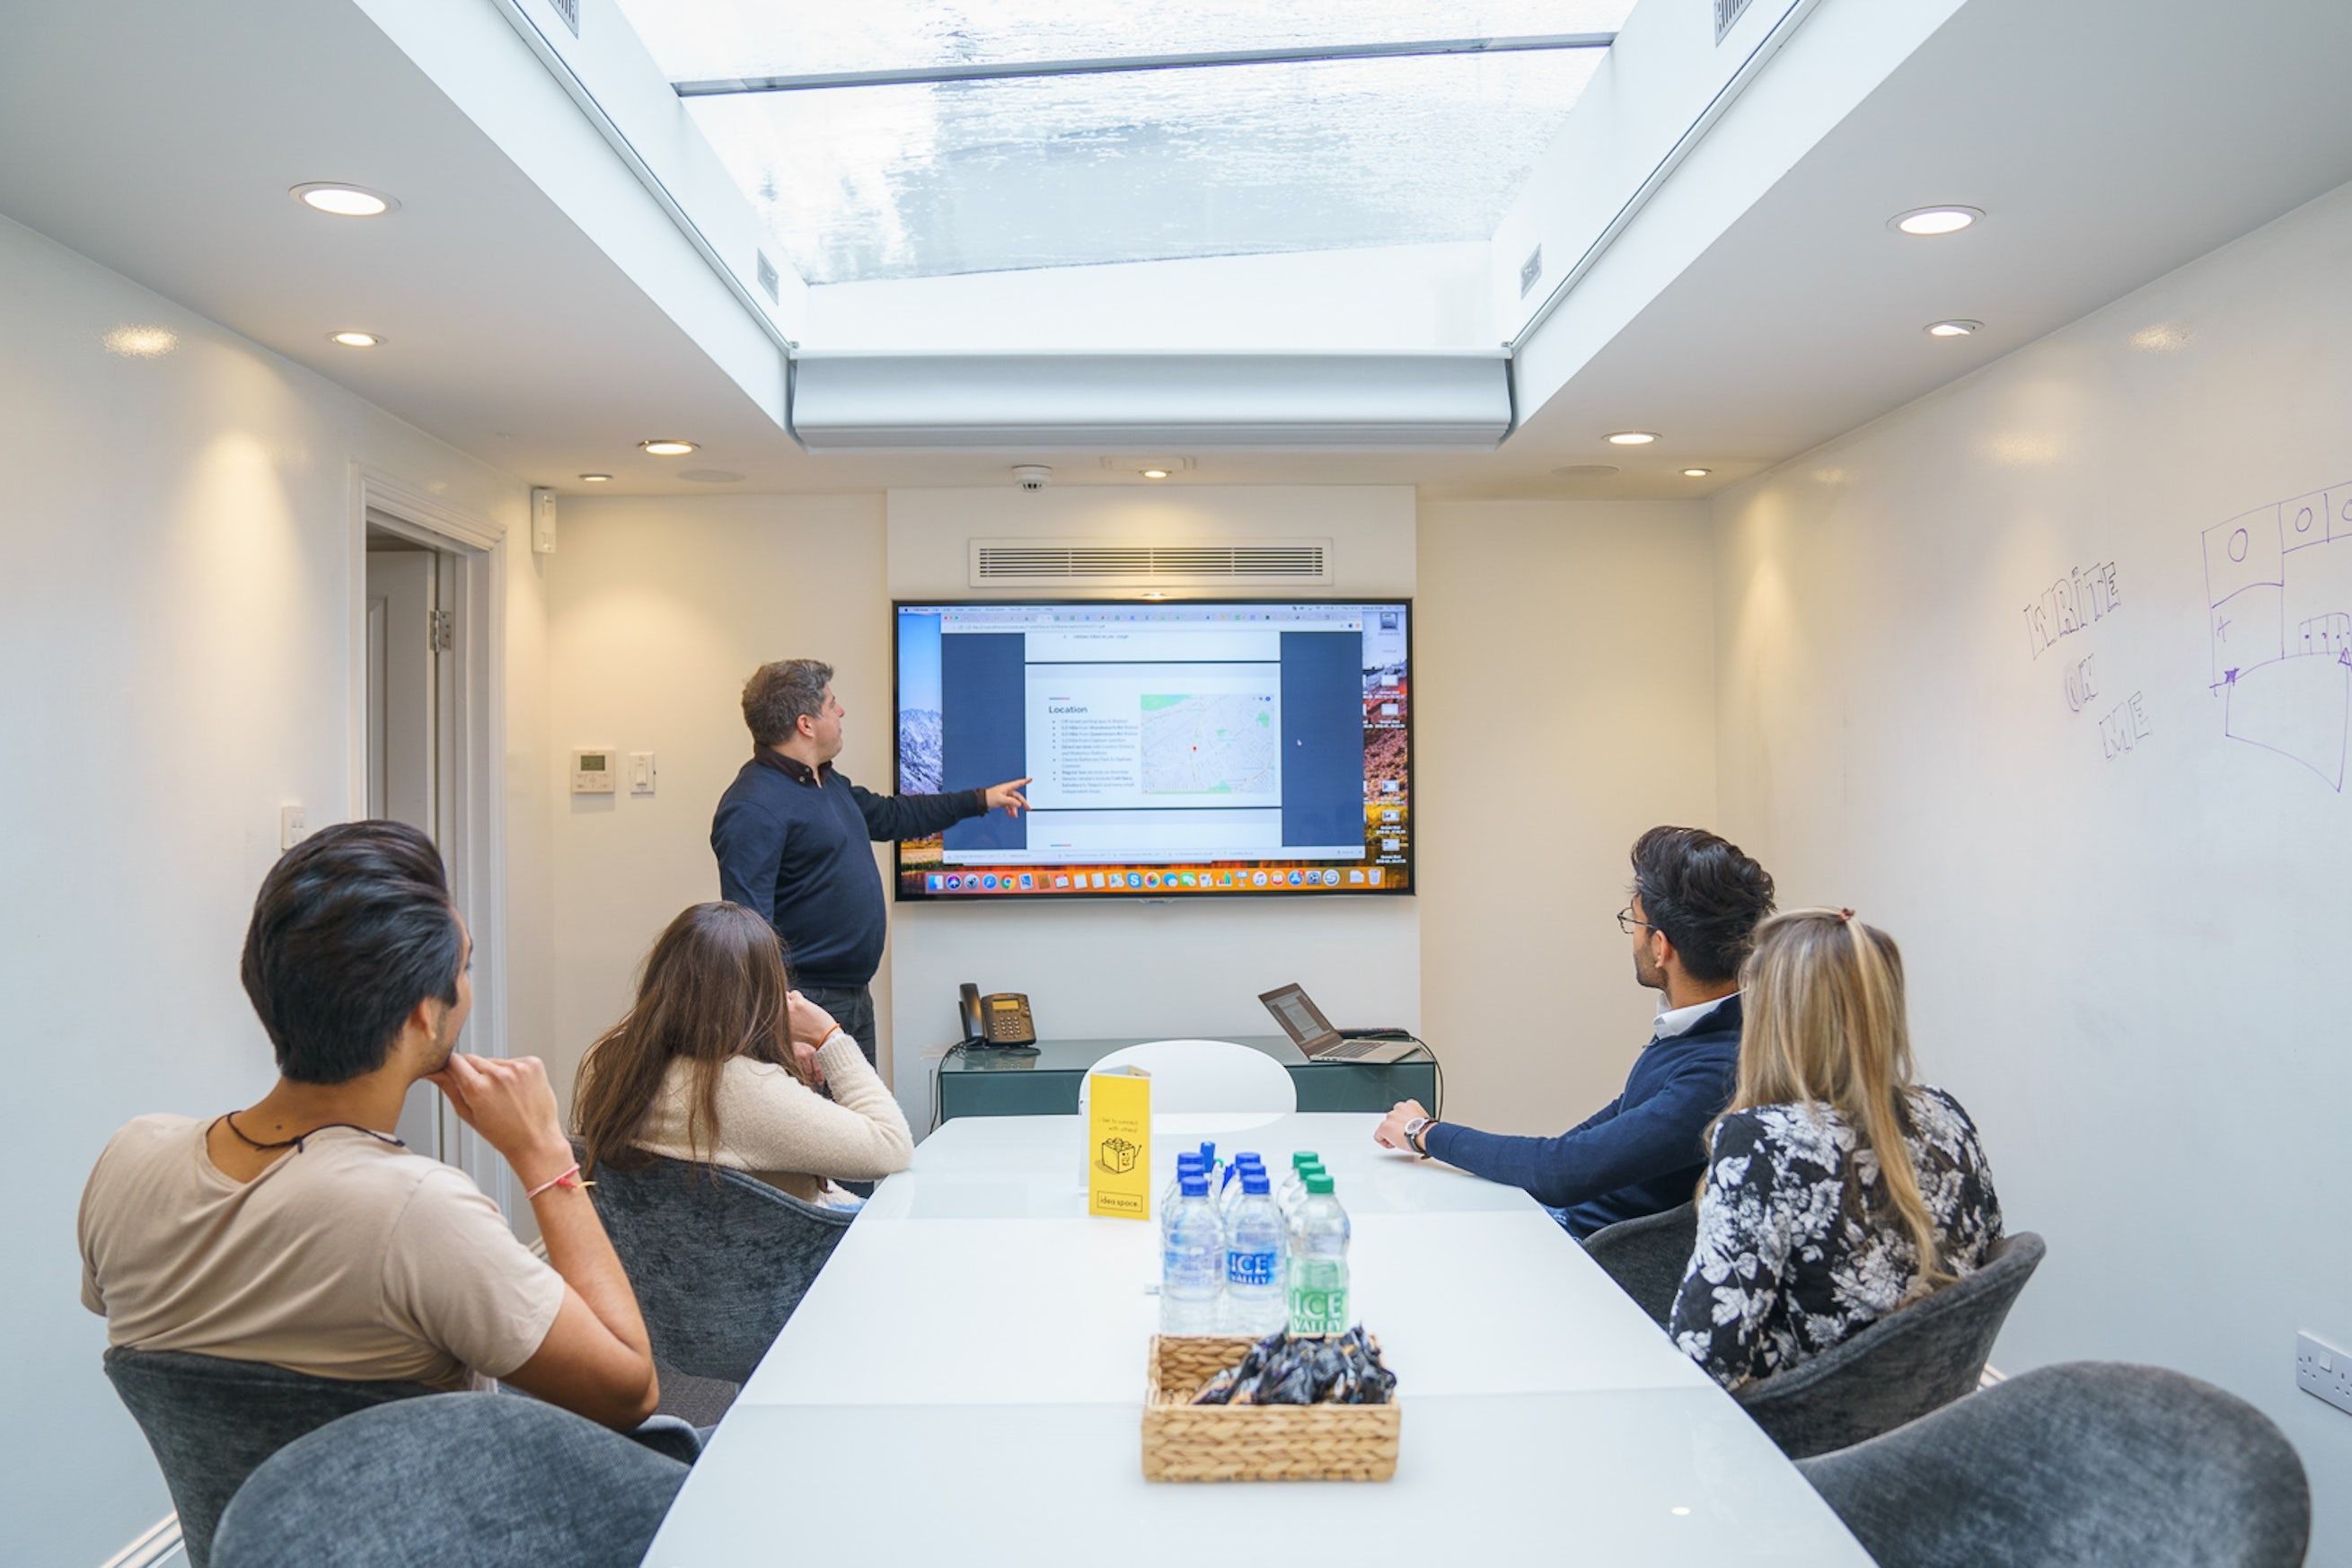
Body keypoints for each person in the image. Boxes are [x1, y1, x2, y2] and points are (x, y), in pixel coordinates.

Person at [77, 821, 658, 1428]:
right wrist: (543, 1151)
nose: (466, 988)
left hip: (234, 1526)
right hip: (425, 1523)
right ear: (421, 1017)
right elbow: (629, 1392)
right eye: (466, 969)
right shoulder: (419, 1213)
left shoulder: (128, 1158)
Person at [1373, 825, 1775, 1236]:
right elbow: (1573, 1153)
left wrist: (1423, 1132)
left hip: (1592, 1253)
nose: (1631, 936)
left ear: (1660, 947)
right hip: (1565, 1221)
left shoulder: (1719, 1069)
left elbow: (1563, 1173)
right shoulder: (1702, 1030)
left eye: (1633, 922)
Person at [1668, 909, 2003, 1389]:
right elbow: (1986, 1259)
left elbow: (1704, 1359)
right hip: (1935, 1423)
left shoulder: (1762, 1140)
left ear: (1774, 1019)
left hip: (1799, 1439)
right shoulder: (1947, 1115)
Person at [713, 658, 1028, 1066]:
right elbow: (746, 934)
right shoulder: (753, 806)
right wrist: (781, 1030)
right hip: (806, 1006)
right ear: (806, 724)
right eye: (832, 704)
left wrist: (980, 800)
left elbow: (893, 816)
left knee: (860, 1123)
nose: (841, 711)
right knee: (825, 1129)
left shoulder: (823, 782)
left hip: (851, 998)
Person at [572, 902, 913, 1206]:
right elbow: (891, 1145)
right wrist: (829, 1037)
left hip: (651, 1268)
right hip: (789, 1267)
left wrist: (768, 1043)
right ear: (764, 990)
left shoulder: (606, 1060)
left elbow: (670, 1021)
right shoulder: (746, 1089)